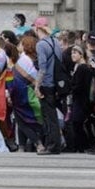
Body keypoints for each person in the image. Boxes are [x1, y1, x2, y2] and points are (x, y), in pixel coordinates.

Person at [33, 17, 63, 155]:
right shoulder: (56, 42)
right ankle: (55, 143)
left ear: (37, 28)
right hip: (56, 83)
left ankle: (52, 145)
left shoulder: (41, 45)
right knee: (53, 116)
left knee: (48, 116)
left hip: (46, 83)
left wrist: (37, 86)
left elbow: (42, 68)